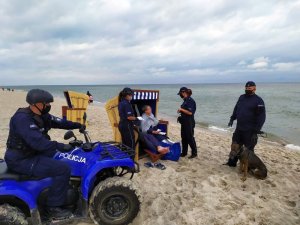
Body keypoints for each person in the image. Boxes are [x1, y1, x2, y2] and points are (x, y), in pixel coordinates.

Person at [4, 89, 86, 219]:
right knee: (63, 169)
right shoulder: (22, 119)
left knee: (65, 159)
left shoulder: (41, 115)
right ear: (37, 104)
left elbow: (59, 122)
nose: (49, 106)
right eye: (47, 103)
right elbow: (39, 143)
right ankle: (54, 208)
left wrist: (78, 125)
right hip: (21, 159)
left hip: (32, 154)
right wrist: (62, 146)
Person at [226, 81, 266, 167]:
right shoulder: (241, 97)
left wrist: (256, 131)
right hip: (239, 128)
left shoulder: (258, 100)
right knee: (235, 146)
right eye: (246, 88)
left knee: (249, 150)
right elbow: (236, 108)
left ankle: (249, 167)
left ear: (254, 88)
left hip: (250, 130)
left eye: (250, 88)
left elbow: (262, 117)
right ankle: (232, 162)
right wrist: (232, 118)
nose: (247, 89)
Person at [177, 87, 198, 159]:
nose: (180, 95)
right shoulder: (185, 100)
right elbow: (184, 110)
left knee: (190, 138)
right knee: (184, 138)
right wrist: (180, 111)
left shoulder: (190, 101)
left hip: (189, 122)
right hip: (184, 122)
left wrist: (181, 109)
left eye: (180, 94)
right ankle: (184, 152)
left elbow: (190, 112)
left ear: (184, 93)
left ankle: (194, 153)